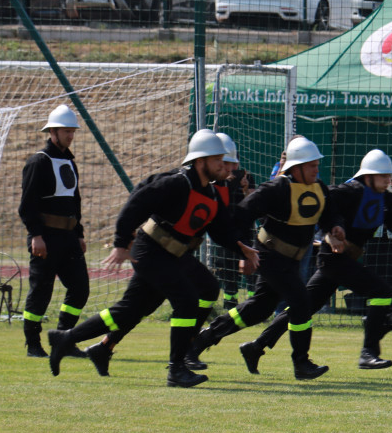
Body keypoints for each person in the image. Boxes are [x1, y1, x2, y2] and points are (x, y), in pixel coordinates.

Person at [47, 129, 259, 387]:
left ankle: (66, 338)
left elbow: (221, 230)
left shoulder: (211, 194)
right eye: (217, 159)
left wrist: (243, 250)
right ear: (201, 161)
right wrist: (121, 242)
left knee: (130, 311)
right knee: (187, 300)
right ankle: (177, 369)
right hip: (151, 252)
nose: (222, 164)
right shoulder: (177, 182)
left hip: (172, 257)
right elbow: (137, 202)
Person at [236, 149, 392, 371]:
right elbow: (322, 209)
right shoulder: (348, 192)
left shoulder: (386, 198)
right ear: (367, 176)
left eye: (389, 176)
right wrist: (330, 234)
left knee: (303, 307)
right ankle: (369, 353)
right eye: (383, 176)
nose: (388, 180)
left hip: (346, 260)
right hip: (333, 258)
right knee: (382, 291)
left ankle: (256, 346)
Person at [187, 136, 343, 379]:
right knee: (301, 301)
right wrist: (244, 252)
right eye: (312, 165)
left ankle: (201, 342)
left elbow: (327, 215)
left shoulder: (319, 188)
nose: (316, 169)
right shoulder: (275, 189)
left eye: (317, 165)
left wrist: (334, 229)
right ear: (297, 167)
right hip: (270, 256)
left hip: (291, 261)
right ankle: (301, 363)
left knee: (259, 309)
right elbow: (242, 216)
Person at [18, 105, 90, 359]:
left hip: (69, 238)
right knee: (41, 292)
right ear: (52, 132)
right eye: (66, 131)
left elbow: (75, 201)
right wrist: (36, 235)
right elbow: (27, 205)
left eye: (73, 131)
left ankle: (64, 339)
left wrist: (79, 233)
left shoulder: (69, 161)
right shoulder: (38, 161)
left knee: (80, 288)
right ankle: (33, 344)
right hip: (46, 238)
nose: (70, 135)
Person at [209, 132, 252, 312]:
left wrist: (245, 188)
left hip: (244, 229)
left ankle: (253, 302)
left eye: (234, 163)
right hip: (225, 230)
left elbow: (253, 202)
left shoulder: (246, 178)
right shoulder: (214, 183)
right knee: (226, 269)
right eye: (226, 163)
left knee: (251, 266)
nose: (231, 167)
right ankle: (230, 301)